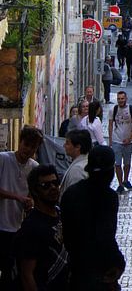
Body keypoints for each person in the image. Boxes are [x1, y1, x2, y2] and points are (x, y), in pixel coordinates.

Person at [61, 146, 125, 291]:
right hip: (101, 273)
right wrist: (118, 263)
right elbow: (106, 237)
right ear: (111, 173)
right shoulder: (109, 197)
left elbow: (67, 235)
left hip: (76, 270)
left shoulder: (70, 194)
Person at [0, 125, 43, 289]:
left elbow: (34, 194)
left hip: (18, 228)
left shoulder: (34, 167)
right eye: (26, 144)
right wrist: (17, 197)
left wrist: (29, 202)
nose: (28, 149)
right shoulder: (3, 159)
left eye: (33, 147)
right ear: (20, 142)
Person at [13, 164, 68, 291]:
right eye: (46, 186)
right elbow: (27, 275)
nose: (53, 188)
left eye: (55, 183)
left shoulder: (61, 214)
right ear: (35, 192)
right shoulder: (31, 228)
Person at [108, 91, 132, 194]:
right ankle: (120, 184)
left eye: (122, 98)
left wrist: (130, 138)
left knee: (127, 163)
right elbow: (110, 125)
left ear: (126, 98)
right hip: (116, 140)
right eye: (119, 99)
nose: (120, 100)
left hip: (128, 142)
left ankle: (126, 180)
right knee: (117, 164)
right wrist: (110, 140)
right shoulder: (113, 109)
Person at [59, 130, 92, 198]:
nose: (64, 146)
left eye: (67, 143)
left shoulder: (78, 170)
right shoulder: (85, 163)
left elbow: (74, 197)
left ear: (77, 147)